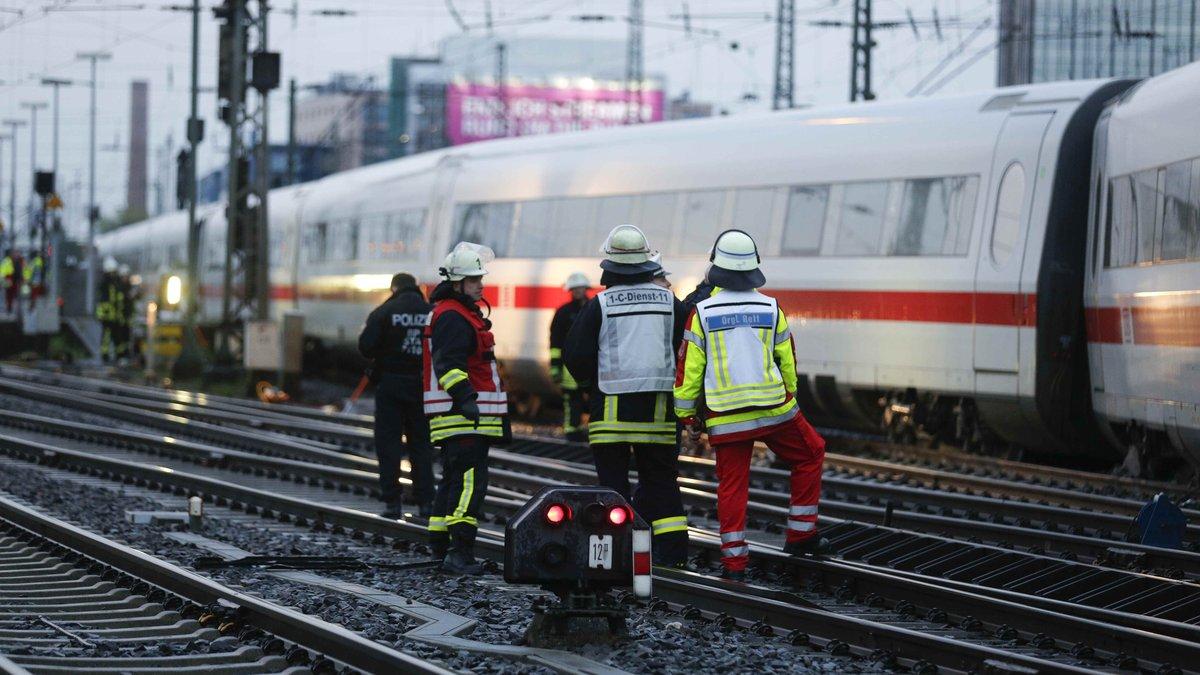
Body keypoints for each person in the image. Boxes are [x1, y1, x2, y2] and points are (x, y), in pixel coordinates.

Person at [673, 230, 829, 581]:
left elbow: (689, 370)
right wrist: (790, 396)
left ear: (717, 267)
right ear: (753, 267)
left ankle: (734, 564)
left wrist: (688, 416)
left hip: (726, 414)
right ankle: (801, 533)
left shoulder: (702, 313)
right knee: (811, 453)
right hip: (773, 408)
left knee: (732, 485)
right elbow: (786, 359)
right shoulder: (771, 308)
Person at [563, 224, 689, 567]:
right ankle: (672, 556)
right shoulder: (670, 303)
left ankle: (615, 556)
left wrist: (592, 386)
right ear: (647, 263)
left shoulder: (601, 304)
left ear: (611, 265)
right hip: (660, 417)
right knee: (662, 486)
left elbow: (575, 354)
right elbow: (688, 352)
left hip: (611, 417)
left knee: (613, 490)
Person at [423, 242, 510, 575]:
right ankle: (459, 553)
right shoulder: (453, 316)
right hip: (464, 416)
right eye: (473, 280)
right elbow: (449, 364)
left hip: (463, 416)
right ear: (457, 283)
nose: (480, 285)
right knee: (471, 483)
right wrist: (465, 398)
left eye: (480, 278)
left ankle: (440, 544)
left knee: (453, 480)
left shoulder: (456, 313)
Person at [358, 272, 435, 519]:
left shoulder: (384, 312)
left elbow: (365, 346)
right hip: (421, 387)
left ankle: (392, 502)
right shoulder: (431, 312)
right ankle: (426, 503)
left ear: (394, 289)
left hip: (390, 385)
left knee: (388, 444)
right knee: (421, 445)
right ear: (416, 288)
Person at [549, 272, 591, 441]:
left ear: (586, 288)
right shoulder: (563, 313)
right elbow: (555, 342)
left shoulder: (593, 308)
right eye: (575, 288)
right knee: (572, 400)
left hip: (591, 365)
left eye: (580, 288)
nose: (578, 291)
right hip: (569, 370)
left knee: (594, 400)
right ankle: (572, 430)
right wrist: (555, 367)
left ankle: (590, 431)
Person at [97, 257, 120, 362]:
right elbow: (108, 301)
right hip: (107, 314)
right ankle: (104, 354)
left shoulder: (111, 283)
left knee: (111, 334)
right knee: (106, 334)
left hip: (110, 314)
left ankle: (109, 354)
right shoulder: (106, 283)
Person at [0, 249, 15, 314]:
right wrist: (2, 279)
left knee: (8, 294)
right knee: (8, 294)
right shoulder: (8, 261)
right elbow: (3, 271)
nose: (12, 254)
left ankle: (8, 307)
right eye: (11, 253)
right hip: (7, 278)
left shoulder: (6, 260)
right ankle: (8, 308)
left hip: (7, 278)